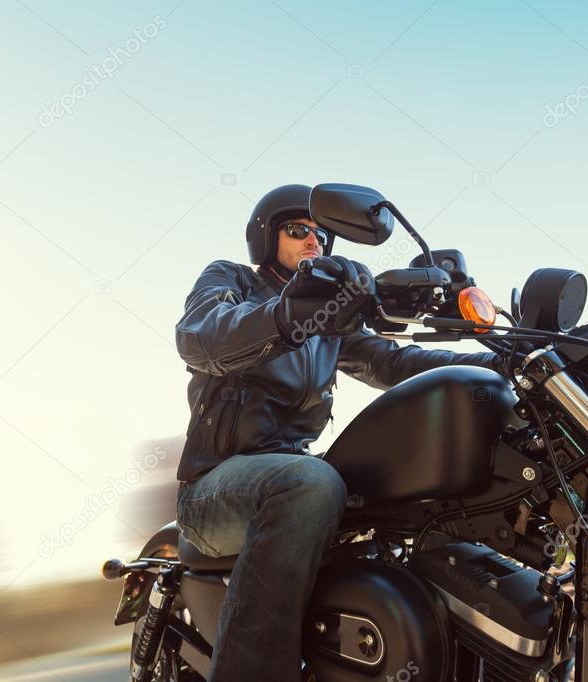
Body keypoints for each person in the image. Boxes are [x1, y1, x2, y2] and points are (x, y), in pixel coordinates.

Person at [174, 183, 501, 681]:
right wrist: (286, 315)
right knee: (312, 482)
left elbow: (392, 361)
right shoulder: (231, 279)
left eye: (323, 235)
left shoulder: (328, 317)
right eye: (299, 229)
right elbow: (201, 335)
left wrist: (499, 362)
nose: (314, 241)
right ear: (266, 237)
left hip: (290, 471)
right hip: (216, 486)